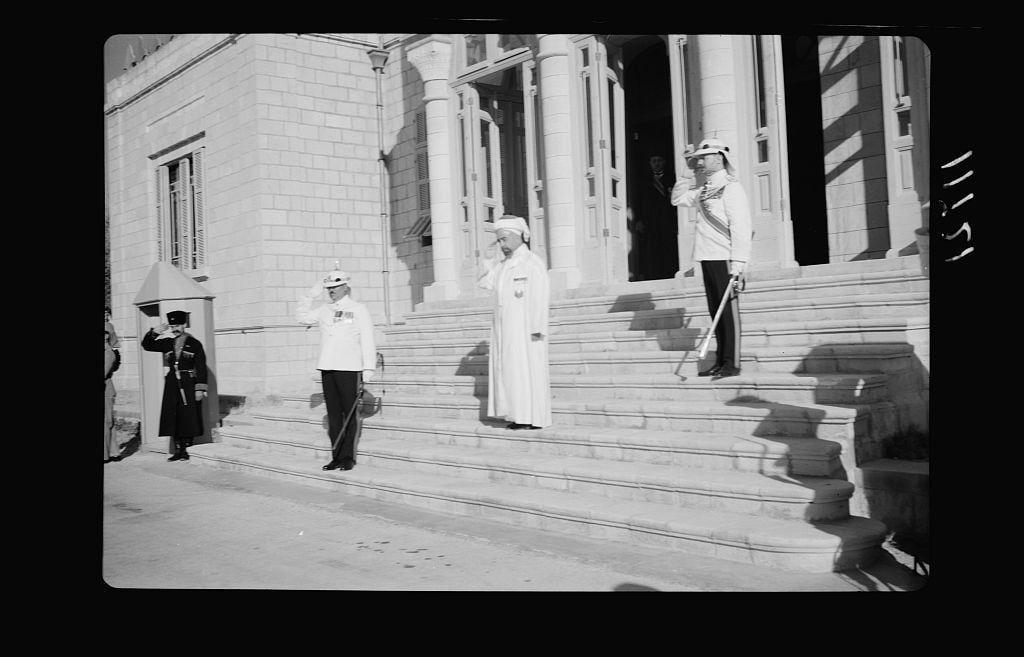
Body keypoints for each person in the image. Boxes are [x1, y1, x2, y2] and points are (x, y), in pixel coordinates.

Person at [670, 138, 753, 378]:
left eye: (703, 158)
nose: (700, 162)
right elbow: (677, 199)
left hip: (725, 257)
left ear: (718, 159)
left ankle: (732, 363)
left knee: (728, 312)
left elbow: (741, 227)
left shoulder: (732, 188)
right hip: (707, 256)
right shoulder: (704, 189)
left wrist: (739, 263)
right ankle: (720, 361)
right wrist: (685, 174)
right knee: (715, 310)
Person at [296, 265, 377, 471]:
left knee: (349, 414)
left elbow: (367, 339)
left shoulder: (358, 309)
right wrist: (310, 295)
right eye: (328, 287)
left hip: (349, 367)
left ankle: (348, 457)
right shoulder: (325, 309)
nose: (331, 290)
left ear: (345, 287)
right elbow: (302, 318)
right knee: (333, 415)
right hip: (328, 367)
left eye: (335, 286)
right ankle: (336, 456)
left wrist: (368, 368)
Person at [477, 215, 552, 430]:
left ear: (519, 236)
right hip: (505, 330)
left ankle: (532, 418)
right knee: (511, 374)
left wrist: (538, 328)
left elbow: (540, 297)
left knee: (527, 373)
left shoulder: (532, 263)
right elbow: (484, 282)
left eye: (505, 239)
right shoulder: (502, 266)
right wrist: (488, 257)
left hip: (527, 331)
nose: (502, 245)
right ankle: (518, 416)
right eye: (499, 240)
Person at [141, 310, 209, 460]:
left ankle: (186, 449)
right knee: (173, 415)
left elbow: (201, 367)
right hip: (172, 383)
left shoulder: (194, 344)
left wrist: (199, 389)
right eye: (172, 326)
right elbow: (147, 345)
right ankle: (177, 450)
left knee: (188, 415)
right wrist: (154, 332)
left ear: (184, 324)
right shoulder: (167, 343)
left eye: (177, 325)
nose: (175, 329)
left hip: (189, 382)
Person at [634, 154, 679, 280]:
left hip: (667, 218)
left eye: (659, 160)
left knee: (668, 246)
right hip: (649, 219)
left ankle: (669, 272)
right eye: (654, 161)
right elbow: (638, 201)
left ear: (664, 162)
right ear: (650, 163)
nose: (657, 163)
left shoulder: (671, 178)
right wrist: (639, 220)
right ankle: (653, 275)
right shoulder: (644, 180)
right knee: (652, 248)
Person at [104, 327, 121, 463]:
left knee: (106, 421)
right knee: (109, 421)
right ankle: (114, 452)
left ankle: (106, 455)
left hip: (106, 389)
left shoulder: (108, 353)